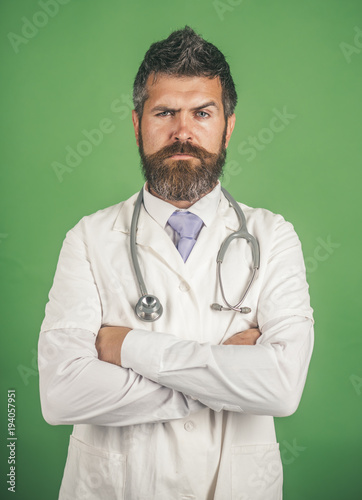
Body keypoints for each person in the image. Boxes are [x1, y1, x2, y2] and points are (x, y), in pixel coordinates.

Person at [38, 26, 314, 500]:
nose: (182, 132)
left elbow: (282, 388)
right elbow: (62, 394)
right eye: (164, 112)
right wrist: (225, 377)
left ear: (228, 127)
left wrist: (126, 347)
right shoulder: (88, 237)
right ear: (136, 123)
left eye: (201, 113)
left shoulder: (273, 236)